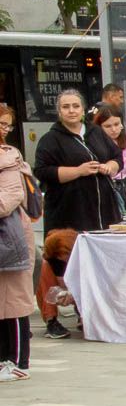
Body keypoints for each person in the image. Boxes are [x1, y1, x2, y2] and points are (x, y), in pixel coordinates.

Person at [33, 89, 121, 234]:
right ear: (59, 111)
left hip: (105, 209)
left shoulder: (96, 132)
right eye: (65, 107)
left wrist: (109, 166)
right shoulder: (50, 139)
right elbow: (41, 171)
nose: (71, 111)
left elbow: (117, 156)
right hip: (70, 211)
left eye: (76, 106)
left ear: (83, 109)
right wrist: (78, 171)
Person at [0, 135, 34, 381]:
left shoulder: (7, 158)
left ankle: (18, 362)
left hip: (9, 239)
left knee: (14, 301)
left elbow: (11, 197)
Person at [93, 105, 126, 214]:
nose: (113, 129)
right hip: (104, 189)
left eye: (116, 124)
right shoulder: (93, 145)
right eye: (107, 126)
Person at [35, 229, 77, 340]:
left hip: (74, 290)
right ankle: (51, 321)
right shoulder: (48, 263)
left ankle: (84, 317)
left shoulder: (80, 259)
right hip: (56, 291)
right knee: (42, 270)